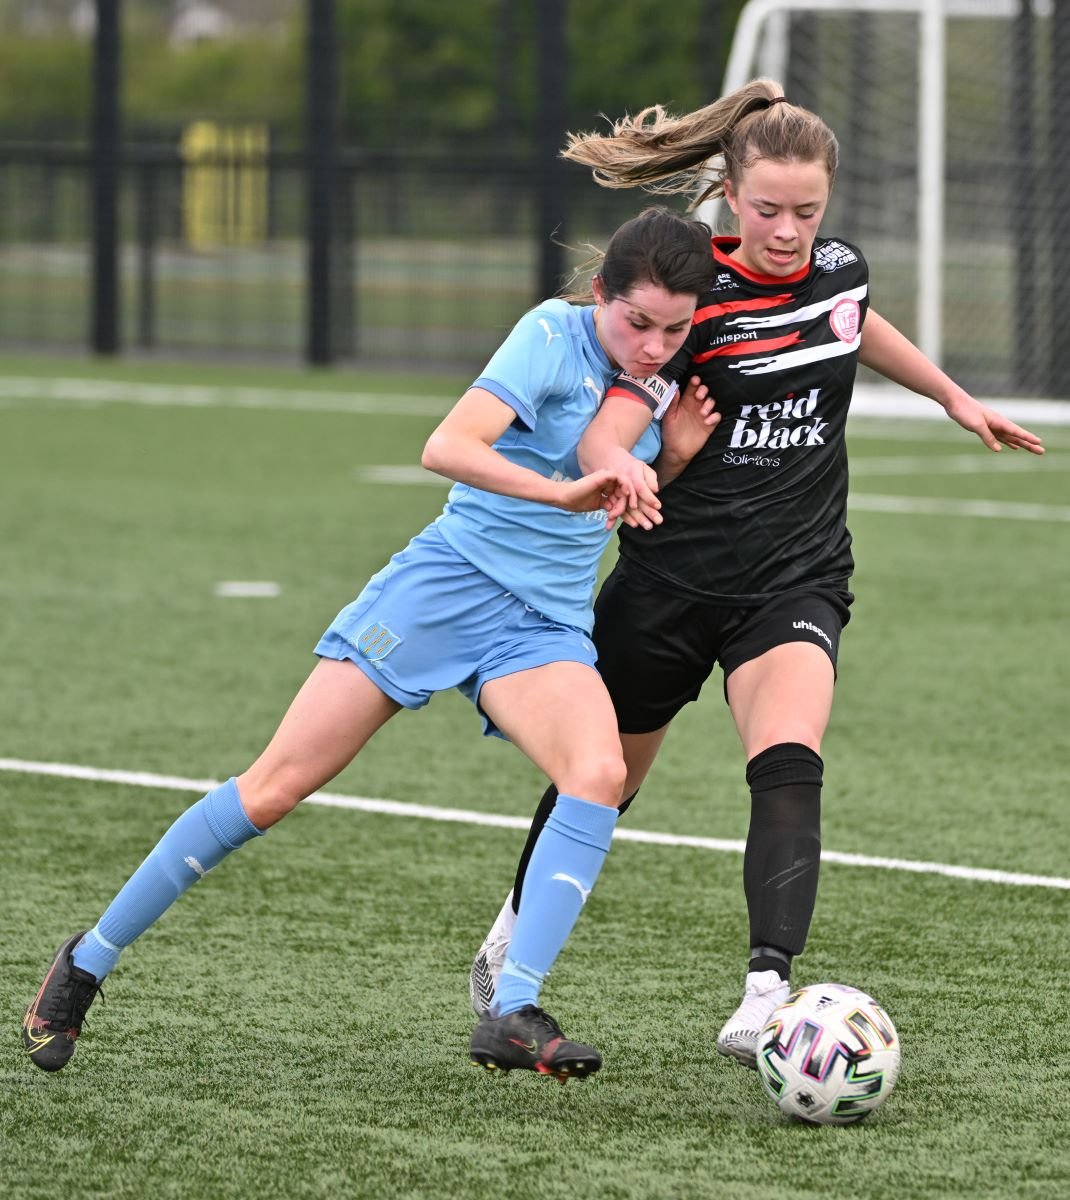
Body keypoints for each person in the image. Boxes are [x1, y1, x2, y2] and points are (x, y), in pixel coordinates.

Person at [21, 206, 719, 1083]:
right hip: (442, 588)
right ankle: (87, 960)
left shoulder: (655, 379)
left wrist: (678, 458)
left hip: (541, 624)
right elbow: (446, 446)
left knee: (598, 776)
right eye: (637, 322)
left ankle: (512, 1008)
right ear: (599, 294)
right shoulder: (549, 332)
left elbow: (621, 475)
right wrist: (563, 494)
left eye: (674, 328)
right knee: (272, 791)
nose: (655, 345)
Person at [469, 79, 1046, 1069]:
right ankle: (508, 944)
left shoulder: (835, 269)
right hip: (667, 586)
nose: (787, 230)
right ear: (729, 196)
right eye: (768, 209)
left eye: (805, 211)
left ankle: (764, 997)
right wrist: (652, 460)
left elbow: (851, 322)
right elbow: (613, 430)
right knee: (598, 781)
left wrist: (954, 396)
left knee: (787, 762)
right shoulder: (692, 303)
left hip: (795, 575)